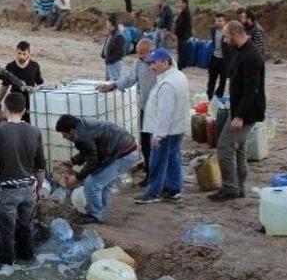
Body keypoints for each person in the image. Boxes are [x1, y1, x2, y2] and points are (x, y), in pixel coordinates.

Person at [0, 93, 46, 264]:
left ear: (5, 109)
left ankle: (8, 267)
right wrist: (38, 189)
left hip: (9, 191)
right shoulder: (35, 131)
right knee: (26, 227)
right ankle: (29, 260)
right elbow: (40, 167)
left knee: (7, 231)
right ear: (25, 110)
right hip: (29, 189)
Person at [209, 21, 265, 202]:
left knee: (225, 146)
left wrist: (240, 116)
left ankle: (230, 187)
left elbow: (252, 89)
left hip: (246, 112)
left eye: (226, 36)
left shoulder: (251, 56)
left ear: (235, 34)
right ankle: (239, 187)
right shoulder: (240, 51)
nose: (224, 41)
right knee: (239, 148)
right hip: (239, 108)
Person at [57, 114, 142, 224]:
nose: (64, 138)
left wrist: (78, 177)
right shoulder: (81, 125)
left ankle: (95, 214)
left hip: (123, 154)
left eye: (65, 135)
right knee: (104, 184)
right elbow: (89, 150)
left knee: (92, 184)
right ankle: (99, 212)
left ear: (72, 130)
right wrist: (73, 161)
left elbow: (93, 161)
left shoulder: (81, 136)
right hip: (125, 150)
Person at [133, 49, 190, 204]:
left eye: (155, 63)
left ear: (166, 62)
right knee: (172, 159)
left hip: (166, 131)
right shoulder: (178, 76)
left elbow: (164, 113)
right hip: (177, 128)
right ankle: (173, 189)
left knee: (157, 162)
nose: (152, 67)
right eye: (150, 63)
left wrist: (158, 136)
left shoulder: (167, 84)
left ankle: (153, 193)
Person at [98, 39, 156, 186]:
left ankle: (157, 175)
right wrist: (114, 85)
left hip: (158, 110)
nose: (139, 55)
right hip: (144, 108)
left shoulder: (160, 64)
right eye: (137, 51)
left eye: (143, 52)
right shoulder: (138, 64)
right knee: (145, 142)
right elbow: (129, 80)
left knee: (157, 142)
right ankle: (149, 172)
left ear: (151, 51)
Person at [0, 41, 44, 122]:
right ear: (16, 52)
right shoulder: (10, 66)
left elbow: (40, 84)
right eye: (19, 53)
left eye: (24, 54)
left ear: (29, 54)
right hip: (14, 101)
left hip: (30, 101)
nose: (21, 56)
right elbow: (5, 85)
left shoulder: (35, 66)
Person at [207, 13, 230, 101]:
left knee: (223, 80)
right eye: (216, 21)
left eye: (220, 21)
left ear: (225, 22)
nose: (217, 22)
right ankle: (209, 96)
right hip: (214, 57)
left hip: (224, 59)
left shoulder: (228, 32)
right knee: (212, 78)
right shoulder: (213, 30)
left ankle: (218, 96)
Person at [101, 14, 126, 81]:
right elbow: (106, 45)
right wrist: (104, 55)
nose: (106, 24)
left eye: (107, 22)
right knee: (108, 83)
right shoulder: (111, 34)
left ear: (110, 23)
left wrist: (110, 60)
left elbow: (121, 52)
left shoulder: (118, 36)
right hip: (109, 63)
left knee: (116, 82)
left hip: (114, 64)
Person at [174, 0, 192, 70]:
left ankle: (180, 66)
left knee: (181, 51)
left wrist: (178, 33)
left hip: (183, 35)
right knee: (181, 50)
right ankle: (182, 64)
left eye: (181, 3)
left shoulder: (185, 12)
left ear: (185, 4)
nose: (179, 4)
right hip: (181, 35)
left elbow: (183, 25)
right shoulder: (183, 12)